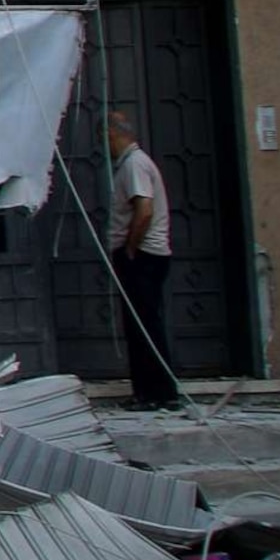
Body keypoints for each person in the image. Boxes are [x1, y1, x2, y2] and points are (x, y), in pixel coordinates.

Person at [103, 111, 180, 410]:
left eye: (105, 137)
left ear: (114, 133)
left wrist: (131, 248)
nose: (105, 145)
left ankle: (156, 393)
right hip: (145, 254)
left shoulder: (134, 165)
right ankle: (152, 391)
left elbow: (144, 210)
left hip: (143, 255)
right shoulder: (132, 164)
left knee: (144, 326)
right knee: (143, 324)